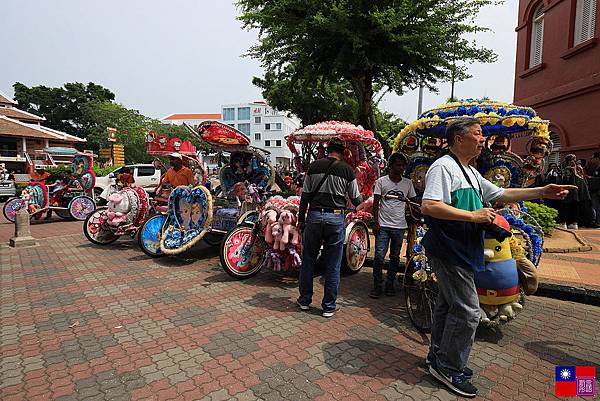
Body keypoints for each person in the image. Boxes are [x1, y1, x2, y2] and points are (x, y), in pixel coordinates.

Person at [420, 117, 576, 398]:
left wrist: (542, 191)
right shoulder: (443, 167)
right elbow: (430, 205)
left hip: (463, 249)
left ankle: (438, 358)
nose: (484, 140)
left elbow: (502, 193)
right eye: (478, 134)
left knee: (447, 306)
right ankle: (450, 367)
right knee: (468, 311)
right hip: (448, 248)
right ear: (459, 139)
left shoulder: (468, 170)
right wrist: (472, 215)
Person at [297, 138, 362, 318]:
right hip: (335, 219)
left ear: (328, 150)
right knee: (333, 265)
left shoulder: (314, 166)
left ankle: (304, 301)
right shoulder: (347, 171)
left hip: (315, 217)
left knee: (309, 259)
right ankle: (328, 307)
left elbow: (305, 197)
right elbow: (356, 200)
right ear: (343, 152)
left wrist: (301, 219)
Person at [370, 152, 416, 298]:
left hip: (399, 226)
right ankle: (378, 285)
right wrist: (376, 222)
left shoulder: (407, 183)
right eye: (398, 165)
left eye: (402, 165)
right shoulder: (381, 182)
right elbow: (376, 203)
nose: (400, 168)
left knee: (395, 257)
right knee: (378, 256)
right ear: (390, 166)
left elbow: (414, 201)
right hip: (383, 226)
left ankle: (390, 284)